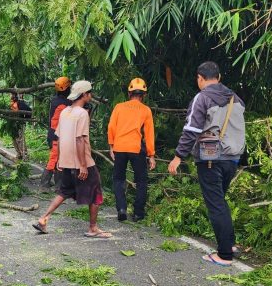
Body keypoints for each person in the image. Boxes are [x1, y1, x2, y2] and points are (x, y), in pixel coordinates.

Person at [168, 61, 245, 266]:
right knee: (220, 201)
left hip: (211, 158)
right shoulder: (235, 98)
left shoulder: (202, 98)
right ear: (218, 78)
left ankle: (224, 255)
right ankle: (229, 245)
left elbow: (191, 130)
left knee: (216, 205)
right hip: (232, 158)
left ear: (200, 78)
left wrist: (178, 156)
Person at [32, 80, 111, 238]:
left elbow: (59, 137)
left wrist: (60, 159)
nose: (91, 95)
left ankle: (43, 218)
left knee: (64, 191)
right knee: (96, 192)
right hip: (82, 161)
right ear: (84, 95)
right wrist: (83, 165)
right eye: (89, 93)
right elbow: (80, 139)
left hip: (66, 161)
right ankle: (93, 228)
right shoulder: (82, 114)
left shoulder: (65, 112)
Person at [107, 78, 156, 222]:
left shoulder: (119, 107)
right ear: (144, 95)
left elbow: (111, 127)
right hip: (136, 148)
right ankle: (138, 213)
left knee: (118, 179)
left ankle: (122, 209)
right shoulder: (146, 110)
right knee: (141, 181)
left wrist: (111, 146)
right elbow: (149, 134)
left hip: (120, 147)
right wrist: (151, 155)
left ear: (129, 93)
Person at [41, 76, 72, 190]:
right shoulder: (65, 104)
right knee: (54, 159)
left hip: (53, 133)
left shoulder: (55, 100)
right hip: (57, 135)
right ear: (67, 88)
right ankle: (44, 184)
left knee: (60, 159)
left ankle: (59, 185)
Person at [10, 92, 32, 159]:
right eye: (11, 94)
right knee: (14, 139)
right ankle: (19, 154)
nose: (11, 96)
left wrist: (25, 119)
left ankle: (25, 154)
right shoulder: (11, 103)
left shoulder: (20, 103)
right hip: (12, 124)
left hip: (19, 124)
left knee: (20, 139)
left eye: (12, 94)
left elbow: (29, 110)